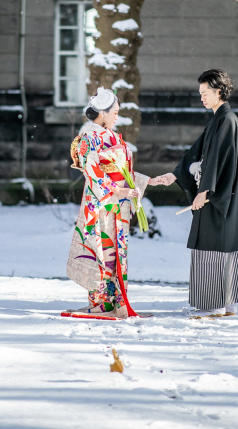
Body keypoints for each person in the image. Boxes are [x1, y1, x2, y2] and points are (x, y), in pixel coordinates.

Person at [154, 69, 238, 318]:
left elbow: (217, 162)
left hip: (218, 197)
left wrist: (204, 191)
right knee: (224, 244)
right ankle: (228, 302)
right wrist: (175, 175)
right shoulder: (218, 119)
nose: (201, 97)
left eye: (205, 93)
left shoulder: (227, 120)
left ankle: (213, 304)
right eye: (200, 93)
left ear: (219, 92)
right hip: (220, 196)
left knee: (212, 245)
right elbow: (197, 153)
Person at [65, 87, 159, 319]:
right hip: (100, 202)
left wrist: (148, 181)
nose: (117, 116)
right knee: (100, 248)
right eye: (114, 112)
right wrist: (119, 191)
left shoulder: (114, 137)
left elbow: (123, 172)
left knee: (115, 252)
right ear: (102, 112)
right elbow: (94, 172)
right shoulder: (89, 136)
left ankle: (116, 302)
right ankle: (100, 303)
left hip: (118, 203)